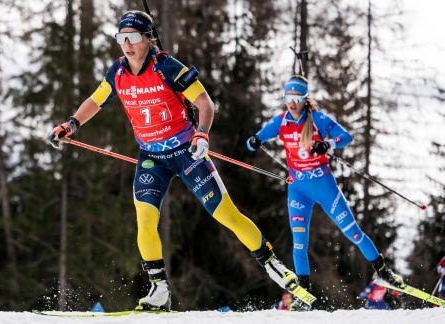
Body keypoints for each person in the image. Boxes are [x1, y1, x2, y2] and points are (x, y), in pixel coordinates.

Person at [48, 10, 300, 311]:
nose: (126, 44)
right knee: (144, 220)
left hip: (186, 152)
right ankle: (159, 290)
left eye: (133, 37)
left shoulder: (167, 67)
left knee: (226, 214)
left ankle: (273, 265)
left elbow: (205, 102)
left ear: (148, 38)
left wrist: (202, 134)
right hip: (152, 157)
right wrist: (71, 124)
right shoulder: (116, 73)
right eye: (121, 38)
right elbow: (96, 100)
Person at [245, 75, 405, 310]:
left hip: (324, 186)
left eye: (297, 98)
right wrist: (254, 141)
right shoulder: (280, 122)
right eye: (288, 97)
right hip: (298, 190)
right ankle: (304, 293)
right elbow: (257, 138)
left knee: (354, 234)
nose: (292, 102)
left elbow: (346, 136)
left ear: (304, 98)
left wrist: (327, 144)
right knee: (299, 244)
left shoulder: (317, 118)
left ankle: (383, 271)